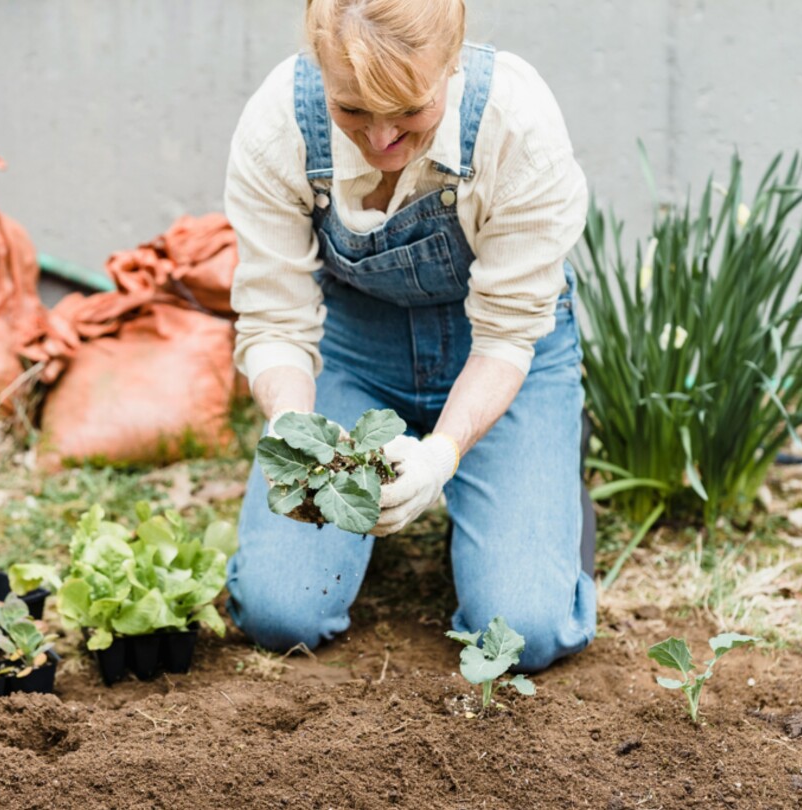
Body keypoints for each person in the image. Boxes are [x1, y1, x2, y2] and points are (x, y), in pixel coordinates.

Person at [224, 0, 594, 672]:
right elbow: (276, 318)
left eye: (411, 111)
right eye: (354, 109)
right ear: (320, 65)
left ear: (450, 62)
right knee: (281, 614)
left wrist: (440, 456)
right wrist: (290, 422)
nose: (382, 138)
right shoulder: (280, 124)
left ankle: (541, 467)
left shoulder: (515, 123)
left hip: (505, 357)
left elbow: (510, 335)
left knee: (523, 631)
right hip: (355, 350)